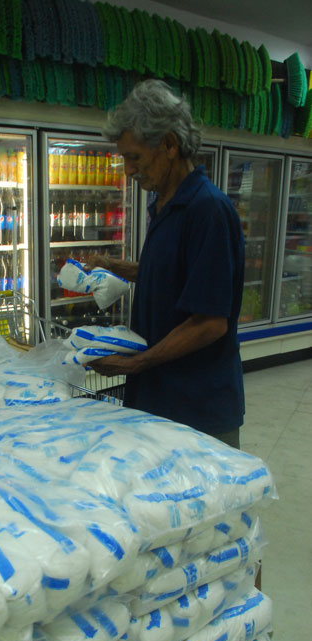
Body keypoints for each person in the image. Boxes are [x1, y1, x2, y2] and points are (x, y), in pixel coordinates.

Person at [89, 79, 245, 448]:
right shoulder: (161, 204)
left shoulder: (207, 210)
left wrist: (134, 363)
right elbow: (174, 276)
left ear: (170, 145)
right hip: (158, 397)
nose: (128, 171)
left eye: (135, 158)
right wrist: (113, 265)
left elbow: (209, 323)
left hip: (197, 410)